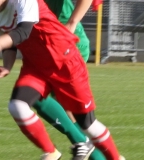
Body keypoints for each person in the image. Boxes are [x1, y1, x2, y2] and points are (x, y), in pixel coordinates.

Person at [0, 0, 124, 160]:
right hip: (35, 67)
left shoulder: (24, 1)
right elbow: (10, 45)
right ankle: (51, 151)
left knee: (87, 124)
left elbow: (23, 32)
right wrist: (7, 66)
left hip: (64, 62)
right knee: (17, 105)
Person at [32, 0, 107, 160]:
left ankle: (56, 150)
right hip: (49, 47)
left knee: (34, 94)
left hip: (68, 45)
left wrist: (71, 23)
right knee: (73, 115)